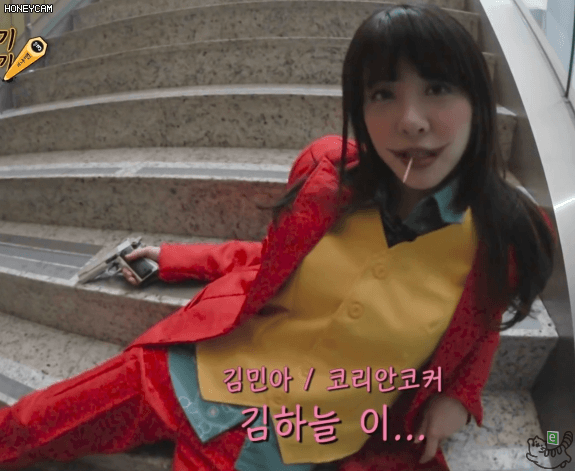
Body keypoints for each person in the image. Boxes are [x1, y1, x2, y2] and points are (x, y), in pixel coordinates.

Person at [0, 3, 556, 470]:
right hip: (194, 371)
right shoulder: (329, 176)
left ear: (478, 102)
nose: (410, 120)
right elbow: (275, 259)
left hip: (296, 436)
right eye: (383, 94)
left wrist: (459, 396)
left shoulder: (504, 236)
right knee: (26, 424)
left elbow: (482, 323)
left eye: (437, 88)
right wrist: (174, 258)